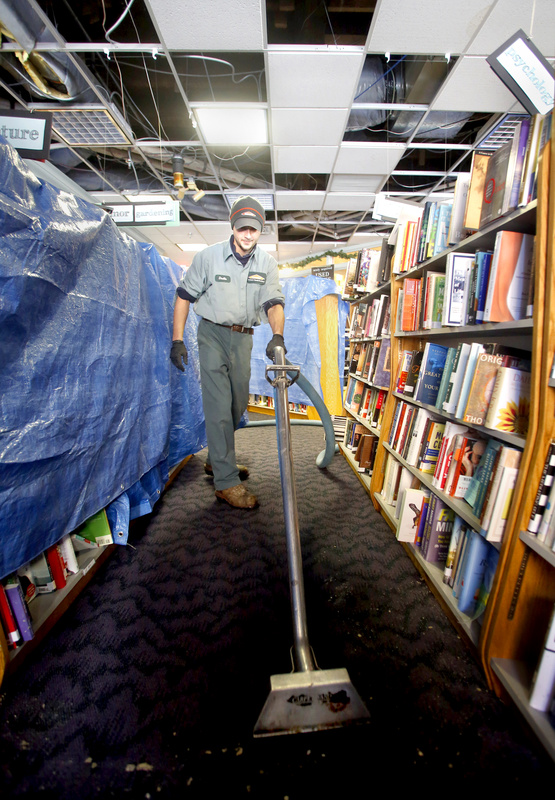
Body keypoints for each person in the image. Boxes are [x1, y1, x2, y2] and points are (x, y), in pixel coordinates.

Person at [170, 196, 286, 509]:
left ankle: (217, 460)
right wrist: (177, 339)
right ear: (233, 226)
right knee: (218, 405)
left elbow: (274, 302)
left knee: (236, 405)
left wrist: (277, 335)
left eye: (254, 229)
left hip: (243, 338)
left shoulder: (266, 263)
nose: (248, 234)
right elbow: (183, 296)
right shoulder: (208, 257)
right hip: (211, 334)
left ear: (261, 230)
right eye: (242, 227)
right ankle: (225, 482)